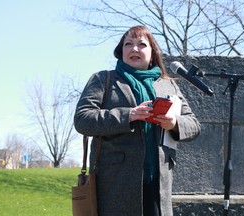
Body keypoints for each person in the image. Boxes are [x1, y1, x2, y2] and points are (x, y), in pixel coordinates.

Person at [74, 25, 201, 216]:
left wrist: (173, 123)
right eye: (128, 44)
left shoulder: (168, 84)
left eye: (141, 44)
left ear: (152, 52)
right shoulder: (103, 79)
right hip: (115, 185)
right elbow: (82, 119)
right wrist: (128, 115)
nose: (134, 49)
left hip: (158, 185)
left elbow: (194, 125)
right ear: (121, 51)